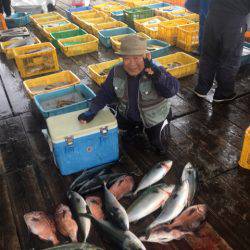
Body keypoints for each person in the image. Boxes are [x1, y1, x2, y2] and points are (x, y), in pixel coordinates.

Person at [78, 35, 179, 154]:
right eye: (127, 58)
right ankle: (135, 128)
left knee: (160, 145)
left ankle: (156, 132)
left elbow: (172, 91)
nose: (131, 63)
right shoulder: (116, 71)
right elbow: (105, 93)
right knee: (119, 125)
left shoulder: (155, 70)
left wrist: (157, 76)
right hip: (128, 114)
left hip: (155, 117)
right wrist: (91, 111)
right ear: (122, 58)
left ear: (146, 56)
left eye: (137, 58)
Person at [194, 0, 250, 102]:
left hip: (213, 16)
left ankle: (201, 88)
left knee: (209, 54)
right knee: (230, 58)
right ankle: (224, 93)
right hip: (234, 20)